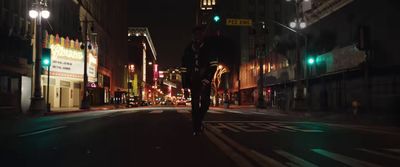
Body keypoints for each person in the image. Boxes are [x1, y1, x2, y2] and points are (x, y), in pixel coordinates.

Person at [181, 25, 219, 136]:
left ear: (203, 36)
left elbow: (213, 66)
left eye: (200, 35)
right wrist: (185, 85)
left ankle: (198, 122)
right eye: (195, 35)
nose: (197, 37)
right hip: (193, 81)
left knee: (206, 104)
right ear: (192, 36)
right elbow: (183, 68)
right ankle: (196, 128)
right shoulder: (188, 49)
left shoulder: (209, 48)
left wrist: (207, 79)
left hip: (205, 80)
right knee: (194, 105)